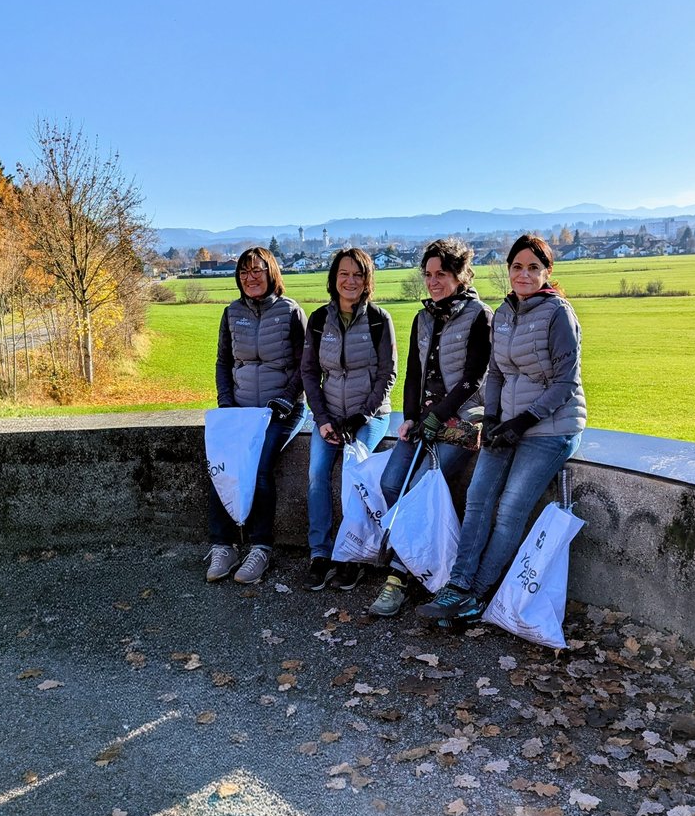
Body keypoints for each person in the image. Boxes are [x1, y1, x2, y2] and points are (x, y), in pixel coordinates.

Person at [416, 233, 586, 626]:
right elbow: (495, 374)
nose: (524, 274)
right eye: (517, 267)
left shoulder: (559, 314)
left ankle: (476, 596)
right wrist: (492, 417)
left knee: (509, 509)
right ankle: (457, 586)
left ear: (547, 272)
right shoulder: (505, 313)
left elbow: (566, 382)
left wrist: (524, 421)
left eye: (533, 267)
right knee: (477, 497)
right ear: (508, 270)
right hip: (506, 424)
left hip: (551, 428)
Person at [367, 238, 492, 617]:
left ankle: (398, 578)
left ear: (460, 275)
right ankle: (416, 554)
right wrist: (410, 416)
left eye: (442, 274)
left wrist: (440, 415)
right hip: (423, 421)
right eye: (428, 274)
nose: (433, 282)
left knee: (420, 489)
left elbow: (474, 377)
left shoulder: (479, 315)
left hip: (462, 421)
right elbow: (413, 373)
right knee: (391, 483)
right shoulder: (422, 318)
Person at [205, 246, 307, 585]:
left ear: (271, 272)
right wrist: (226, 403)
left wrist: (287, 399)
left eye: (257, 270)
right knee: (221, 467)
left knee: (260, 468)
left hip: (281, 410)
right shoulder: (231, 313)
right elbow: (223, 363)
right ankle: (224, 546)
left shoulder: (291, 311)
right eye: (244, 272)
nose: (250, 277)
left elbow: (306, 367)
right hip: (241, 410)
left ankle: (261, 548)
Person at [301, 248, 397, 592]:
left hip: (369, 416)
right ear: (334, 278)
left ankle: (352, 555)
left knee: (352, 474)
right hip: (329, 416)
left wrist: (360, 417)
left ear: (367, 280)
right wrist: (322, 419)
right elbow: (309, 373)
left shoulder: (379, 320)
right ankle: (320, 553)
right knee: (316, 474)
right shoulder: (318, 320)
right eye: (344, 273)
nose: (350, 281)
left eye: (358, 274)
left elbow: (387, 374)